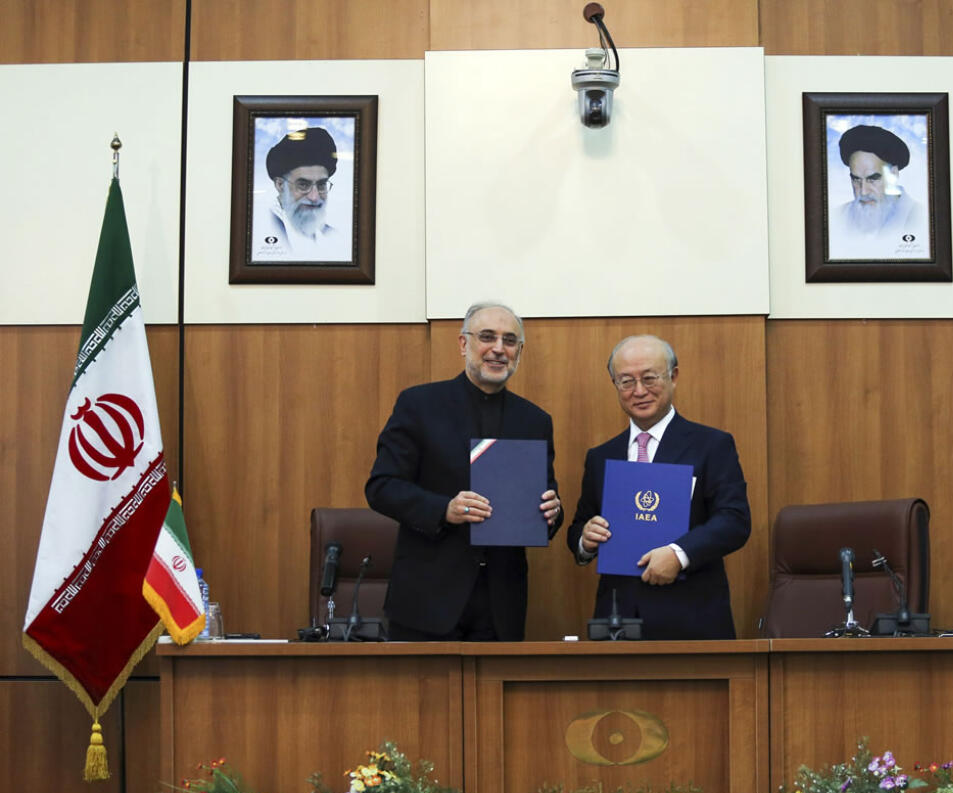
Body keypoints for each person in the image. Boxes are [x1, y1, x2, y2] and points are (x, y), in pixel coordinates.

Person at [366, 302, 564, 641]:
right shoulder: (419, 404)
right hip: (427, 597)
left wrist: (552, 512)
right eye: (487, 337)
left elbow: (546, 501)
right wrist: (445, 509)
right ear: (463, 344)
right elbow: (382, 487)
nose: (499, 349)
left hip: (501, 602)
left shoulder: (534, 420)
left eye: (510, 340)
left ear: (520, 350)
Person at [567, 335, 750, 639]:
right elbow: (578, 527)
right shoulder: (601, 457)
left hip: (691, 618)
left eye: (650, 378)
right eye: (626, 381)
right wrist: (586, 540)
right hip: (618, 622)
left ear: (673, 376)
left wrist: (679, 554)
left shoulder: (711, 445)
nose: (639, 391)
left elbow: (734, 520)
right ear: (614, 384)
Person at [252, 126, 351, 263]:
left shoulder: (332, 235)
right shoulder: (262, 228)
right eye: (303, 185)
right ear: (280, 185)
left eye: (321, 185)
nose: (314, 197)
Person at [829, 124, 928, 259]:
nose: (863, 191)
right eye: (856, 179)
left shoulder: (921, 219)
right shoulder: (836, 218)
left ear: (893, 174)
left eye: (872, 179)